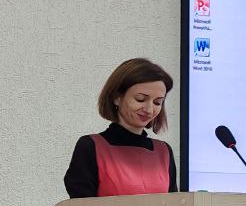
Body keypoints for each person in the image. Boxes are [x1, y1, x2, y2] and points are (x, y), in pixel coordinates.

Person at [65, 58, 177, 198]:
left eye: (157, 102)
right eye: (140, 99)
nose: (149, 110)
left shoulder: (164, 152)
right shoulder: (91, 146)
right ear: (117, 97)